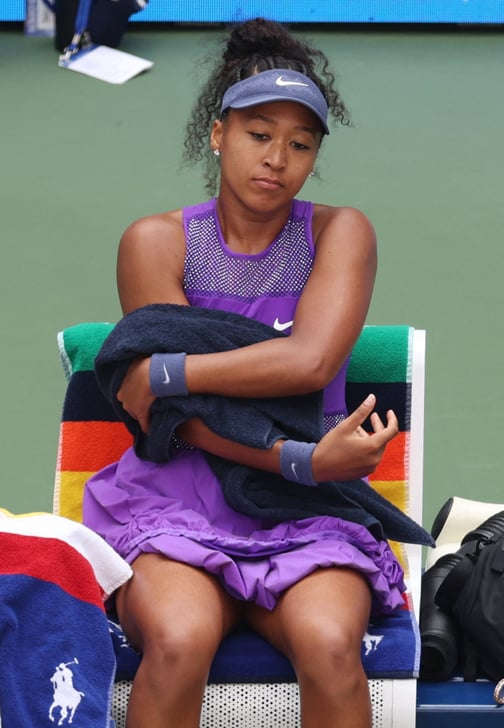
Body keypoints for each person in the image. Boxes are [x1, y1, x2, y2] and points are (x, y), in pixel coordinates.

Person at [81, 18, 417, 728]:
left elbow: (311, 361)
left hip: (308, 509)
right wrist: (301, 455)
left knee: (329, 645)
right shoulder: (158, 242)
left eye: (300, 144)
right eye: (259, 134)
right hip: (176, 501)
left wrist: (167, 372)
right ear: (218, 133)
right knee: (178, 639)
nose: (277, 158)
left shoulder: (338, 232)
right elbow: (183, 427)